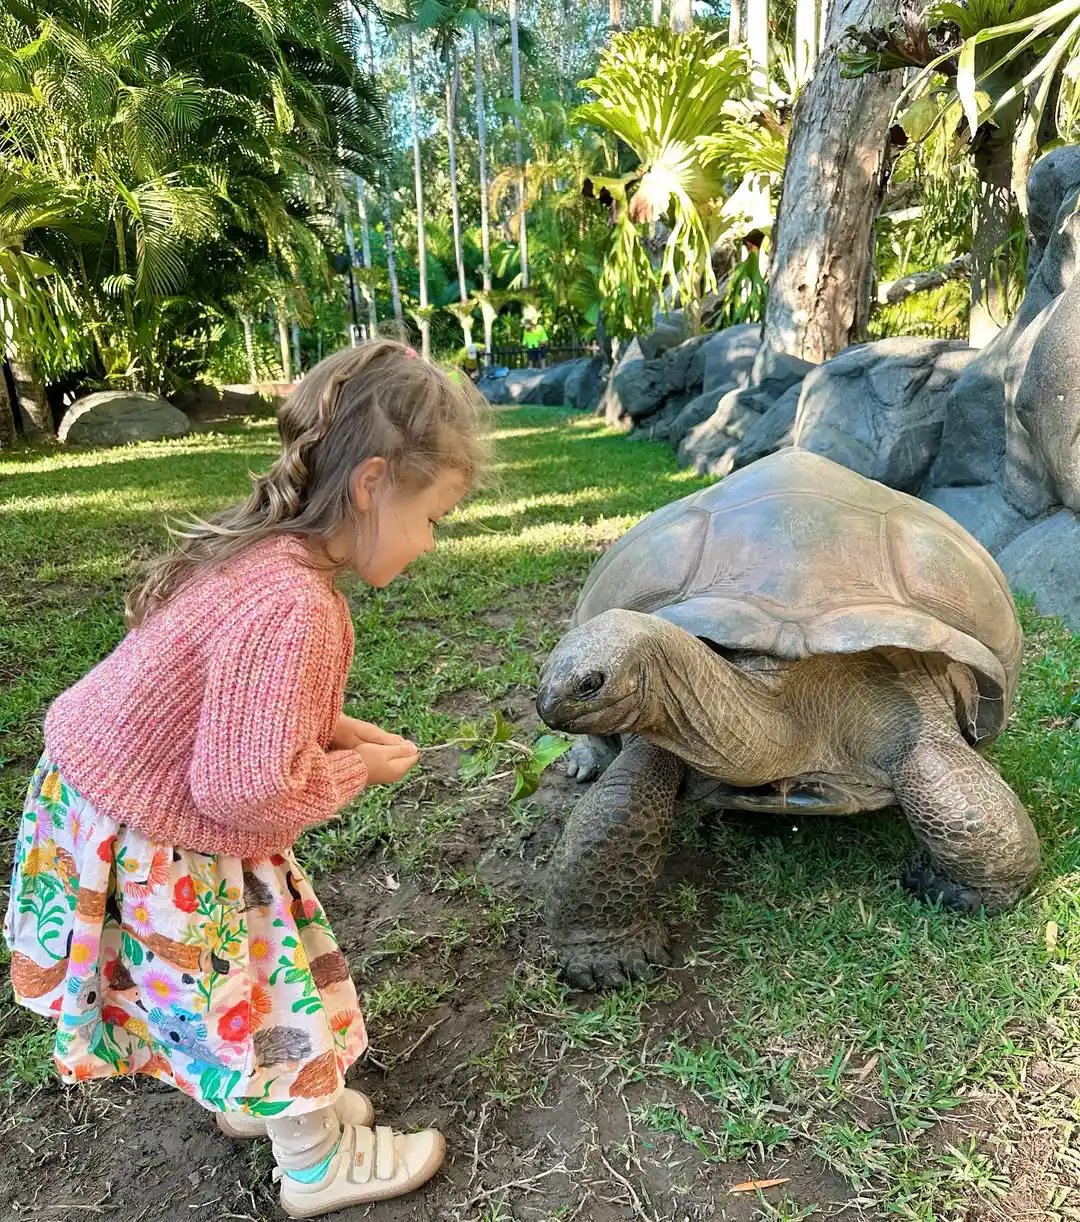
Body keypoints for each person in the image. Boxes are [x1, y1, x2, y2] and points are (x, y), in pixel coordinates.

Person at [3, 340, 487, 1217]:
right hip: (163, 834)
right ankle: (312, 1163)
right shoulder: (298, 605)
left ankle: (255, 1102)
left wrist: (336, 729)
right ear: (373, 484)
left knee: (212, 990)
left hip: (105, 805)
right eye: (435, 516)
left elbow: (231, 700)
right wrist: (355, 773)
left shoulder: (267, 556)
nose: (429, 542)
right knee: (260, 984)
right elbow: (247, 793)